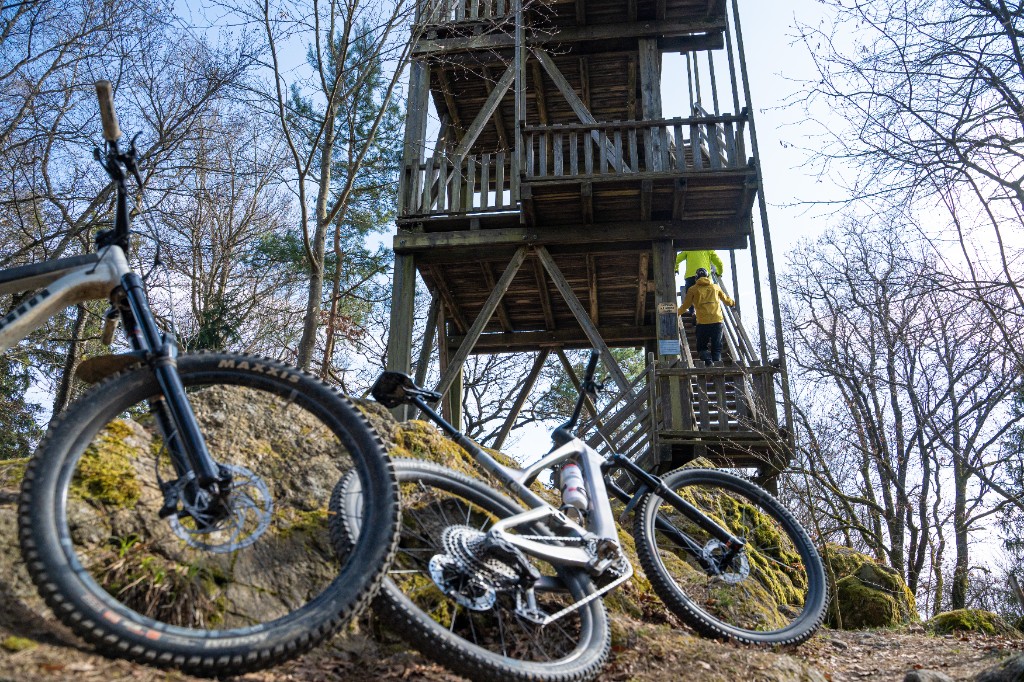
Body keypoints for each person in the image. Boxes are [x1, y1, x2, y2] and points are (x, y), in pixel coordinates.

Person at [679, 267, 735, 364]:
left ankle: (708, 362)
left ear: (696, 277)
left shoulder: (693, 289)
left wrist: (676, 313)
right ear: (708, 276)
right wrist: (732, 303)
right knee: (717, 347)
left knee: (701, 347)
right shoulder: (715, 287)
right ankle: (717, 364)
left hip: (702, 323)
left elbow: (686, 305)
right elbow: (726, 300)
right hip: (717, 321)